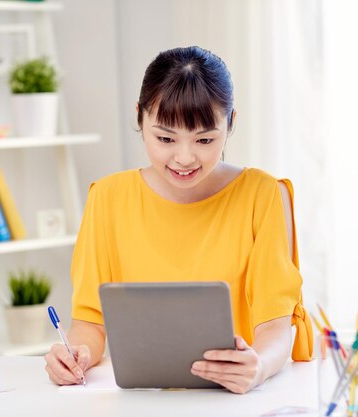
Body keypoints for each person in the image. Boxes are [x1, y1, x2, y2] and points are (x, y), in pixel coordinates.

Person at [44, 46, 313, 394]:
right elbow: (89, 323)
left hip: (237, 401)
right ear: (140, 118)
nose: (184, 158)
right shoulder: (107, 199)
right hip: (144, 402)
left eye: (204, 139)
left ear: (230, 123)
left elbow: (276, 327)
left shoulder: (262, 195)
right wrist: (76, 354)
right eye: (165, 138)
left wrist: (257, 366)